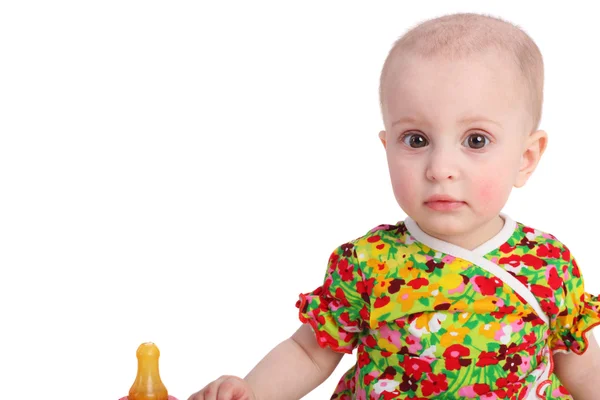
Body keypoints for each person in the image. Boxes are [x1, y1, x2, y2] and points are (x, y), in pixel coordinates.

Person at [188, 12, 600, 399]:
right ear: (387, 147)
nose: (440, 169)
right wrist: (251, 391)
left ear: (526, 158)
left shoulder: (547, 264)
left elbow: (581, 368)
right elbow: (309, 353)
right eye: (416, 140)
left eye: (476, 140)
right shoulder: (367, 261)